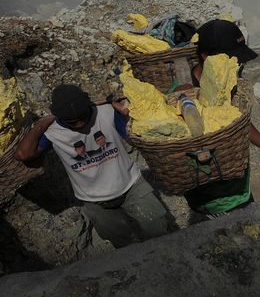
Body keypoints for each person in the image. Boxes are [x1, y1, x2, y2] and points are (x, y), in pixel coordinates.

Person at [15, 84, 171, 247]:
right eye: (72, 122)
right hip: (95, 200)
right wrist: (42, 123)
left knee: (160, 232)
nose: (80, 124)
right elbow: (23, 154)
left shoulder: (107, 112)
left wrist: (126, 117)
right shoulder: (52, 132)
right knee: (124, 245)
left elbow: (133, 139)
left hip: (131, 185)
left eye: (83, 117)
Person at [180, 19, 260, 218]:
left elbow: (235, 123)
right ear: (205, 56)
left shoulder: (222, 83)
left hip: (238, 193)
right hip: (217, 202)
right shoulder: (184, 96)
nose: (236, 65)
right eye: (229, 59)